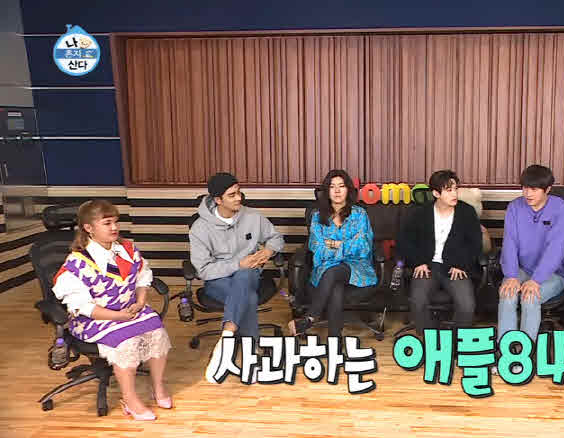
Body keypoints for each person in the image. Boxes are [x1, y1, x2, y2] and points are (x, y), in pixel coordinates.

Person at [53, 200, 172, 421]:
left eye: (115, 222)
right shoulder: (77, 262)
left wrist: (141, 301)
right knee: (126, 342)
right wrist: (118, 316)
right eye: (107, 223)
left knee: (157, 331)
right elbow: (83, 307)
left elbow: (143, 277)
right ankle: (130, 400)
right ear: (89, 228)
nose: (114, 227)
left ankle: (158, 387)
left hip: (130, 310)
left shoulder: (126, 249)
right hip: (95, 319)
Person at [189, 172, 284, 383]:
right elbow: (203, 270)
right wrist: (237, 264)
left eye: (239, 192)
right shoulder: (200, 228)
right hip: (218, 281)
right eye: (232, 195)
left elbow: (276, 238)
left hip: (250, 275)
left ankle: (227, 336)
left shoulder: (253, 217)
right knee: (247, 296)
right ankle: (253, 351)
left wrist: (268, 251)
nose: (239, 198)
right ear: (218, 200)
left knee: (245, 276)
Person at [288, 169, 377, 337]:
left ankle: (310, 318)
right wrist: (345, 246)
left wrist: (333, 245)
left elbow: (363, 246)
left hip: (356, 268)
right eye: (332, 187)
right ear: (326, 191)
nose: (337, 191)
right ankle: (334, 339)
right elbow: (317, 247)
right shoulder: (317, 216)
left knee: (334, 271)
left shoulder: (360, 214)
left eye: (341, 186)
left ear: (348, 190)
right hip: (325, 269)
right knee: (336, 285)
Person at [397, 170, 482, 334]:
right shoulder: (420, 213)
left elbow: (475, 244)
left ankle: (456, 340)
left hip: (455, 267)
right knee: (418, 301)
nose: (454, 194)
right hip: (427, 266)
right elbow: (404, 241)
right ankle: (429, 339)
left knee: (467, 305)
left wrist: (461, 264)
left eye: (455, 189)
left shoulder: (467, 212)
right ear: (436, 193)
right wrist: (418, 262)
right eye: (449, 190)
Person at [497, 165, 564, 346]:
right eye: (524, 188)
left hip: (553, 274)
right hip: (521, 269)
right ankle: (505, 349)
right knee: (507, 295)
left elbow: (556, 249)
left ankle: (525, 351)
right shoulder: (514, 207)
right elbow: (510, 243)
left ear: (548, 189)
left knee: (529, 298)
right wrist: (511, 276)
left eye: (534, 189)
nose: (528, 194)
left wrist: (536, 280)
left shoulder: (561, 208)